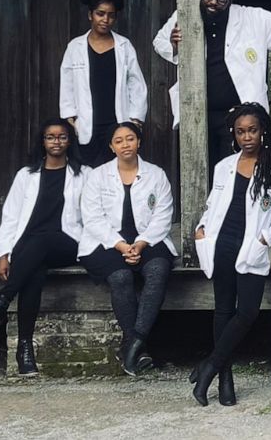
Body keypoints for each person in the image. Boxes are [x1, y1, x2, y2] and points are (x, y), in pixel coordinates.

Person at [155, 0, 271, 166]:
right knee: (196, 171)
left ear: (231, 0)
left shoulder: (254, 18)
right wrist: (173, 45)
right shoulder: (184, 15)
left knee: (235, 170)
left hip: (237, 115)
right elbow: (159, 42)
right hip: (196, 111)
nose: (213, 2)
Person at [0, 119, 89, 377]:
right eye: (50, 137)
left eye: (62, 137)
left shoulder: (84, 174)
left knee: (42, 241)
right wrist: (3, 253)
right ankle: (25, 349)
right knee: (34, 271)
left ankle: (1, 303)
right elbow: (11, 216)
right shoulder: (26, 175)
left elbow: (91, 216)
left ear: (70, 141)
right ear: (42, 142)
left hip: (67, 242)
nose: (56, 141)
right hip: (31, 246)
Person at [192, 102, 271, 406]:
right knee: (223, 310)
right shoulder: (225, 165)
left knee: (247, 312)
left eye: (253, 130)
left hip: (251, 245)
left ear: (263, 131)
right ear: (234, 134)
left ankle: (209, 366)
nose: (247, 137)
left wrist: (265, 238)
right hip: (222, 242)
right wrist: (202, 228)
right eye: (241, 132)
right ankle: (225, 379)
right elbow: (212, 203)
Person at [78, 122, 177, 377]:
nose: (125, 145)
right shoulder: (97, 176)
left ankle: (133, 343)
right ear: (112, 146)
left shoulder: (156, 174)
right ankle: (139, 347)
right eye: (119, 141)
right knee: (120, 277)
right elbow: (92, 218)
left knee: (158, 269)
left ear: (139, 142)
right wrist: (121, 245)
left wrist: (141, 243)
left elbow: (163, 216)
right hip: (105, 242)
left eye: (130, 139)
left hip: (147, 240)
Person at [60, 0, 148, 168]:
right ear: (90, 15)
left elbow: (136, 83)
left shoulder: (124, 46)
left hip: (116, 119)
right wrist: (70, 116)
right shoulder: (75, 47)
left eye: (111, 15)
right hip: (86, 122)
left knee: (116, 170)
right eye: (100, 14)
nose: (105, 20)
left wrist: (136, 119)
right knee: (86, 171)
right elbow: (67, 82)